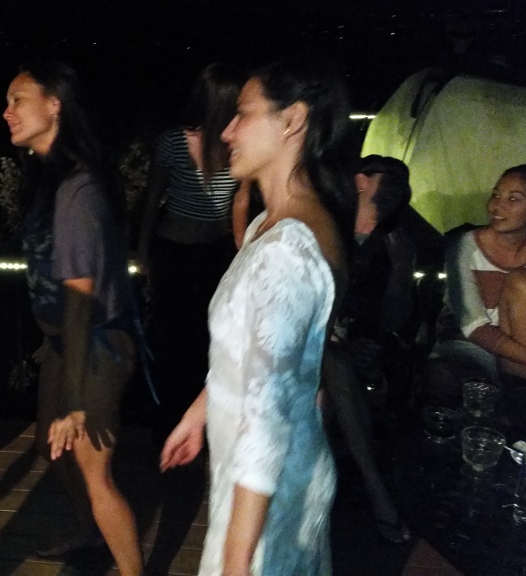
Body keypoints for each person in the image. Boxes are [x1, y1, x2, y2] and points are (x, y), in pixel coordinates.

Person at [160, 57, 355, 575]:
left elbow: (267, 420)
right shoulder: (269, 224)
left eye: (242, 114)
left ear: (292, 120)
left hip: (269, 490)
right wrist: (201, 411)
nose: (226, 131)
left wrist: (237, 559)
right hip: (260, 475)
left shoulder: (286, 252)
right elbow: (256, 352)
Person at [4, 61, 142, 576]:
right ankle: (91, 534)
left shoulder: (77, 189)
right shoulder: (54, 178)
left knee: (93, 467)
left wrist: (79, 399)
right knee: (52, 446)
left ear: (54, 104)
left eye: (18, 99)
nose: (7, 111)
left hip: (96, 341)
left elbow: (81, 300)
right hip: (65, 340)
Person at [135, 63, 245, 439]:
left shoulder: (239, 144)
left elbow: (240, 200)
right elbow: (153, 197)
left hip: (216, 251)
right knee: (171, 337)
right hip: (174, 250)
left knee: (211, 338)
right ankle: (167, 425)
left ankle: (203, 426)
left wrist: (241, 253)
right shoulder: (175, 141)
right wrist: (143, 251)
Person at [322, 155, 415, 544]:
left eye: (403, 184)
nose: (397, 190)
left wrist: (400, 272)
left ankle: (320, 494)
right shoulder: (326, 226)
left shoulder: (396, 241)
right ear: (360, 180)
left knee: (339, 378)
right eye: (388, 179)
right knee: (334, 365)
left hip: (359, 345)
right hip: (313, 340)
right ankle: (376, 488)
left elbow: (394, 319)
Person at [424, 164, 526, 399]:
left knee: (524, 283)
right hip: (469, 346)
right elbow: (472, 325)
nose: (496, 206)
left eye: (513, 199)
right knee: (442, 374)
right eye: (496, 195)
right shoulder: (464, 247)